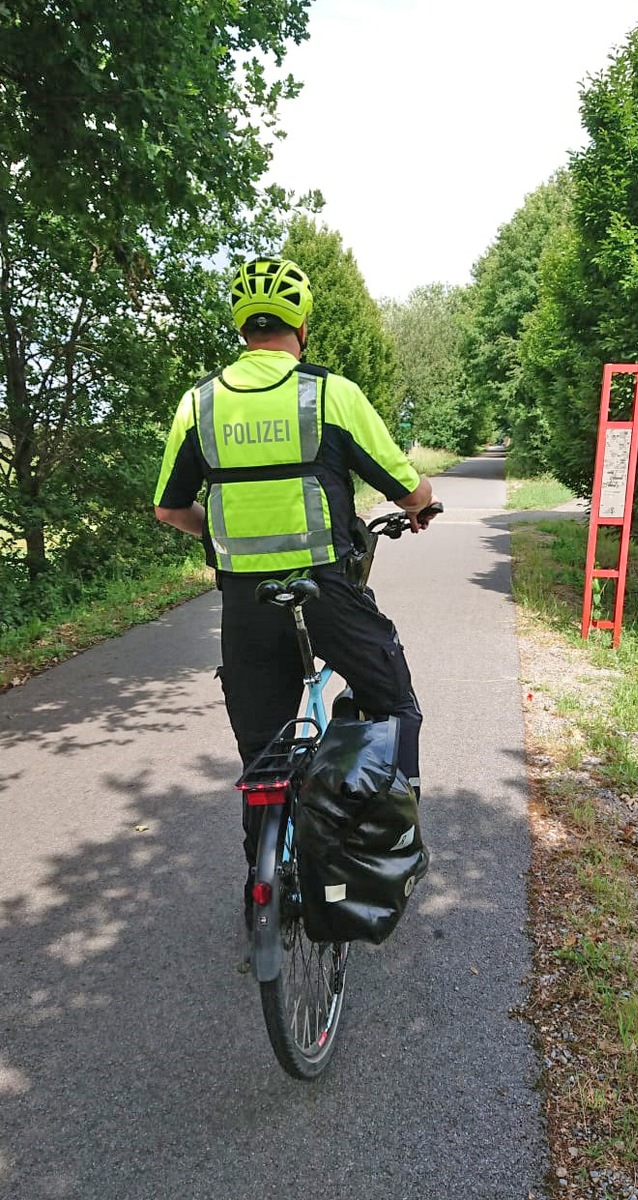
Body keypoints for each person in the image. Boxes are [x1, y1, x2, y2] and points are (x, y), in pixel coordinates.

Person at [153, 257, 438, 927]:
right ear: (300, 326)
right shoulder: (328, 393)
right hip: (328, 594)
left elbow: (170, 508)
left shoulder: (200, 402)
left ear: (241, 327)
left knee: (263, 757)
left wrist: (219, 540)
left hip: (246, 607)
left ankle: (267, 892)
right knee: (394, 700)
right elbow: (408, 487)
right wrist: (422, 505)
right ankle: (385, 837)